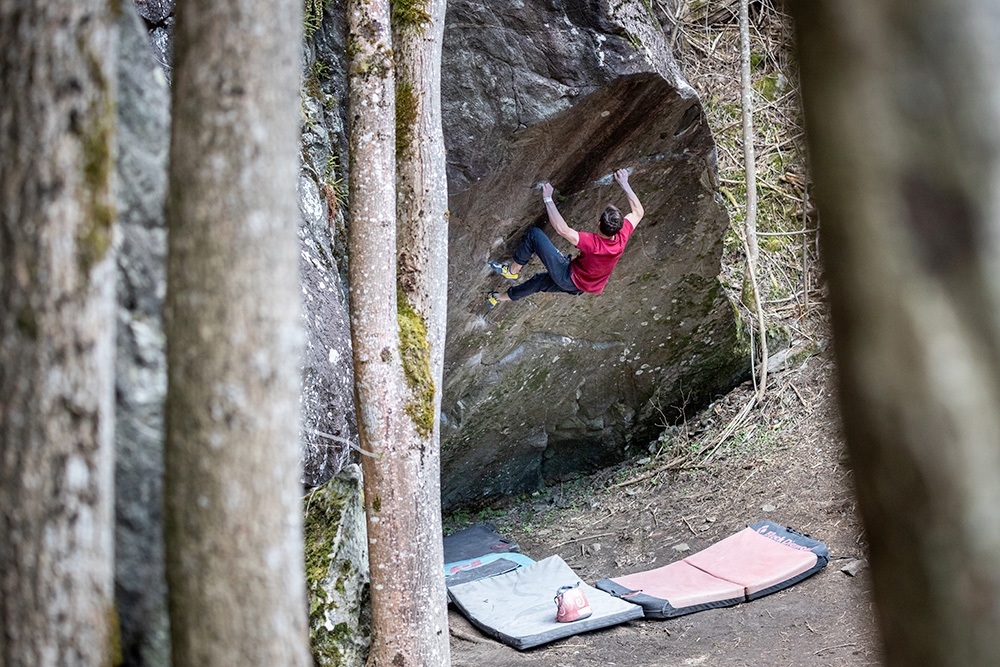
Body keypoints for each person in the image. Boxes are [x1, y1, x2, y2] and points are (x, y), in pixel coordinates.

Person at [487, 168, 644, 307]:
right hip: (581, 286)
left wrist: (548, 199)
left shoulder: (593, 244)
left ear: (598, 224)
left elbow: (562, 230)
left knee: (534, 234)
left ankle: (512, 270)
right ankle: (498, 298)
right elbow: (638, 212)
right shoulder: (621, 236)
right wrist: (624, 182)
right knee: (539, 282)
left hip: (568, 276)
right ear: (619, 227)